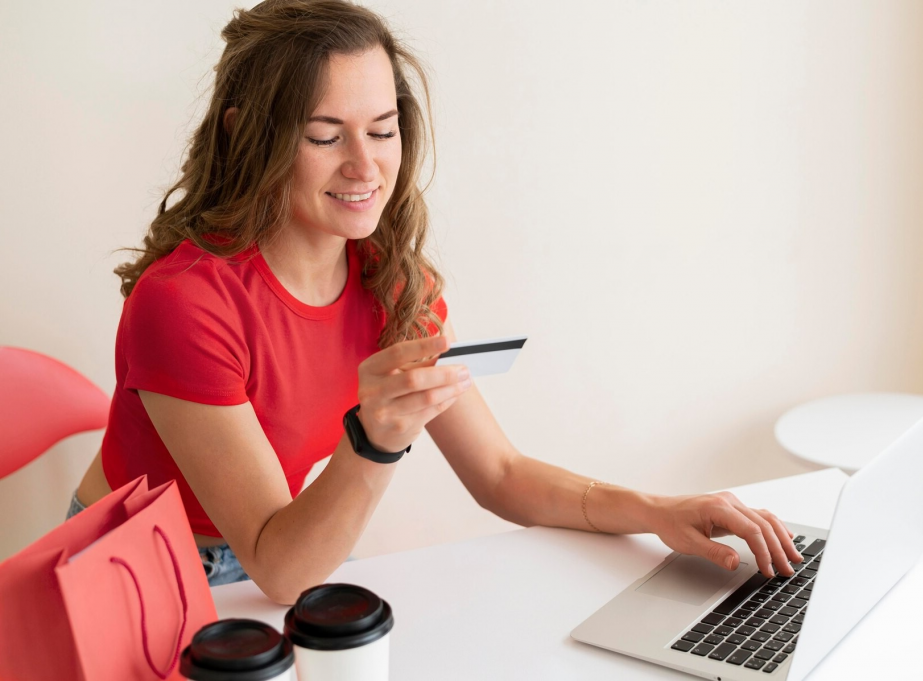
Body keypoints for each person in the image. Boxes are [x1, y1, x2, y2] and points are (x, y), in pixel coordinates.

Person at [73, 0, 802, 605]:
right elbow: (282, 566)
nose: (365, 166)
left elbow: (502, 476)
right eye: (325, 136)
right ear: (246, 134)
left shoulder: (388, 279)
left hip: (271, 562)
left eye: (383, 130)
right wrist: (375, 439)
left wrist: (659, 511)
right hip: (142, 569)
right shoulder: (186, 302)